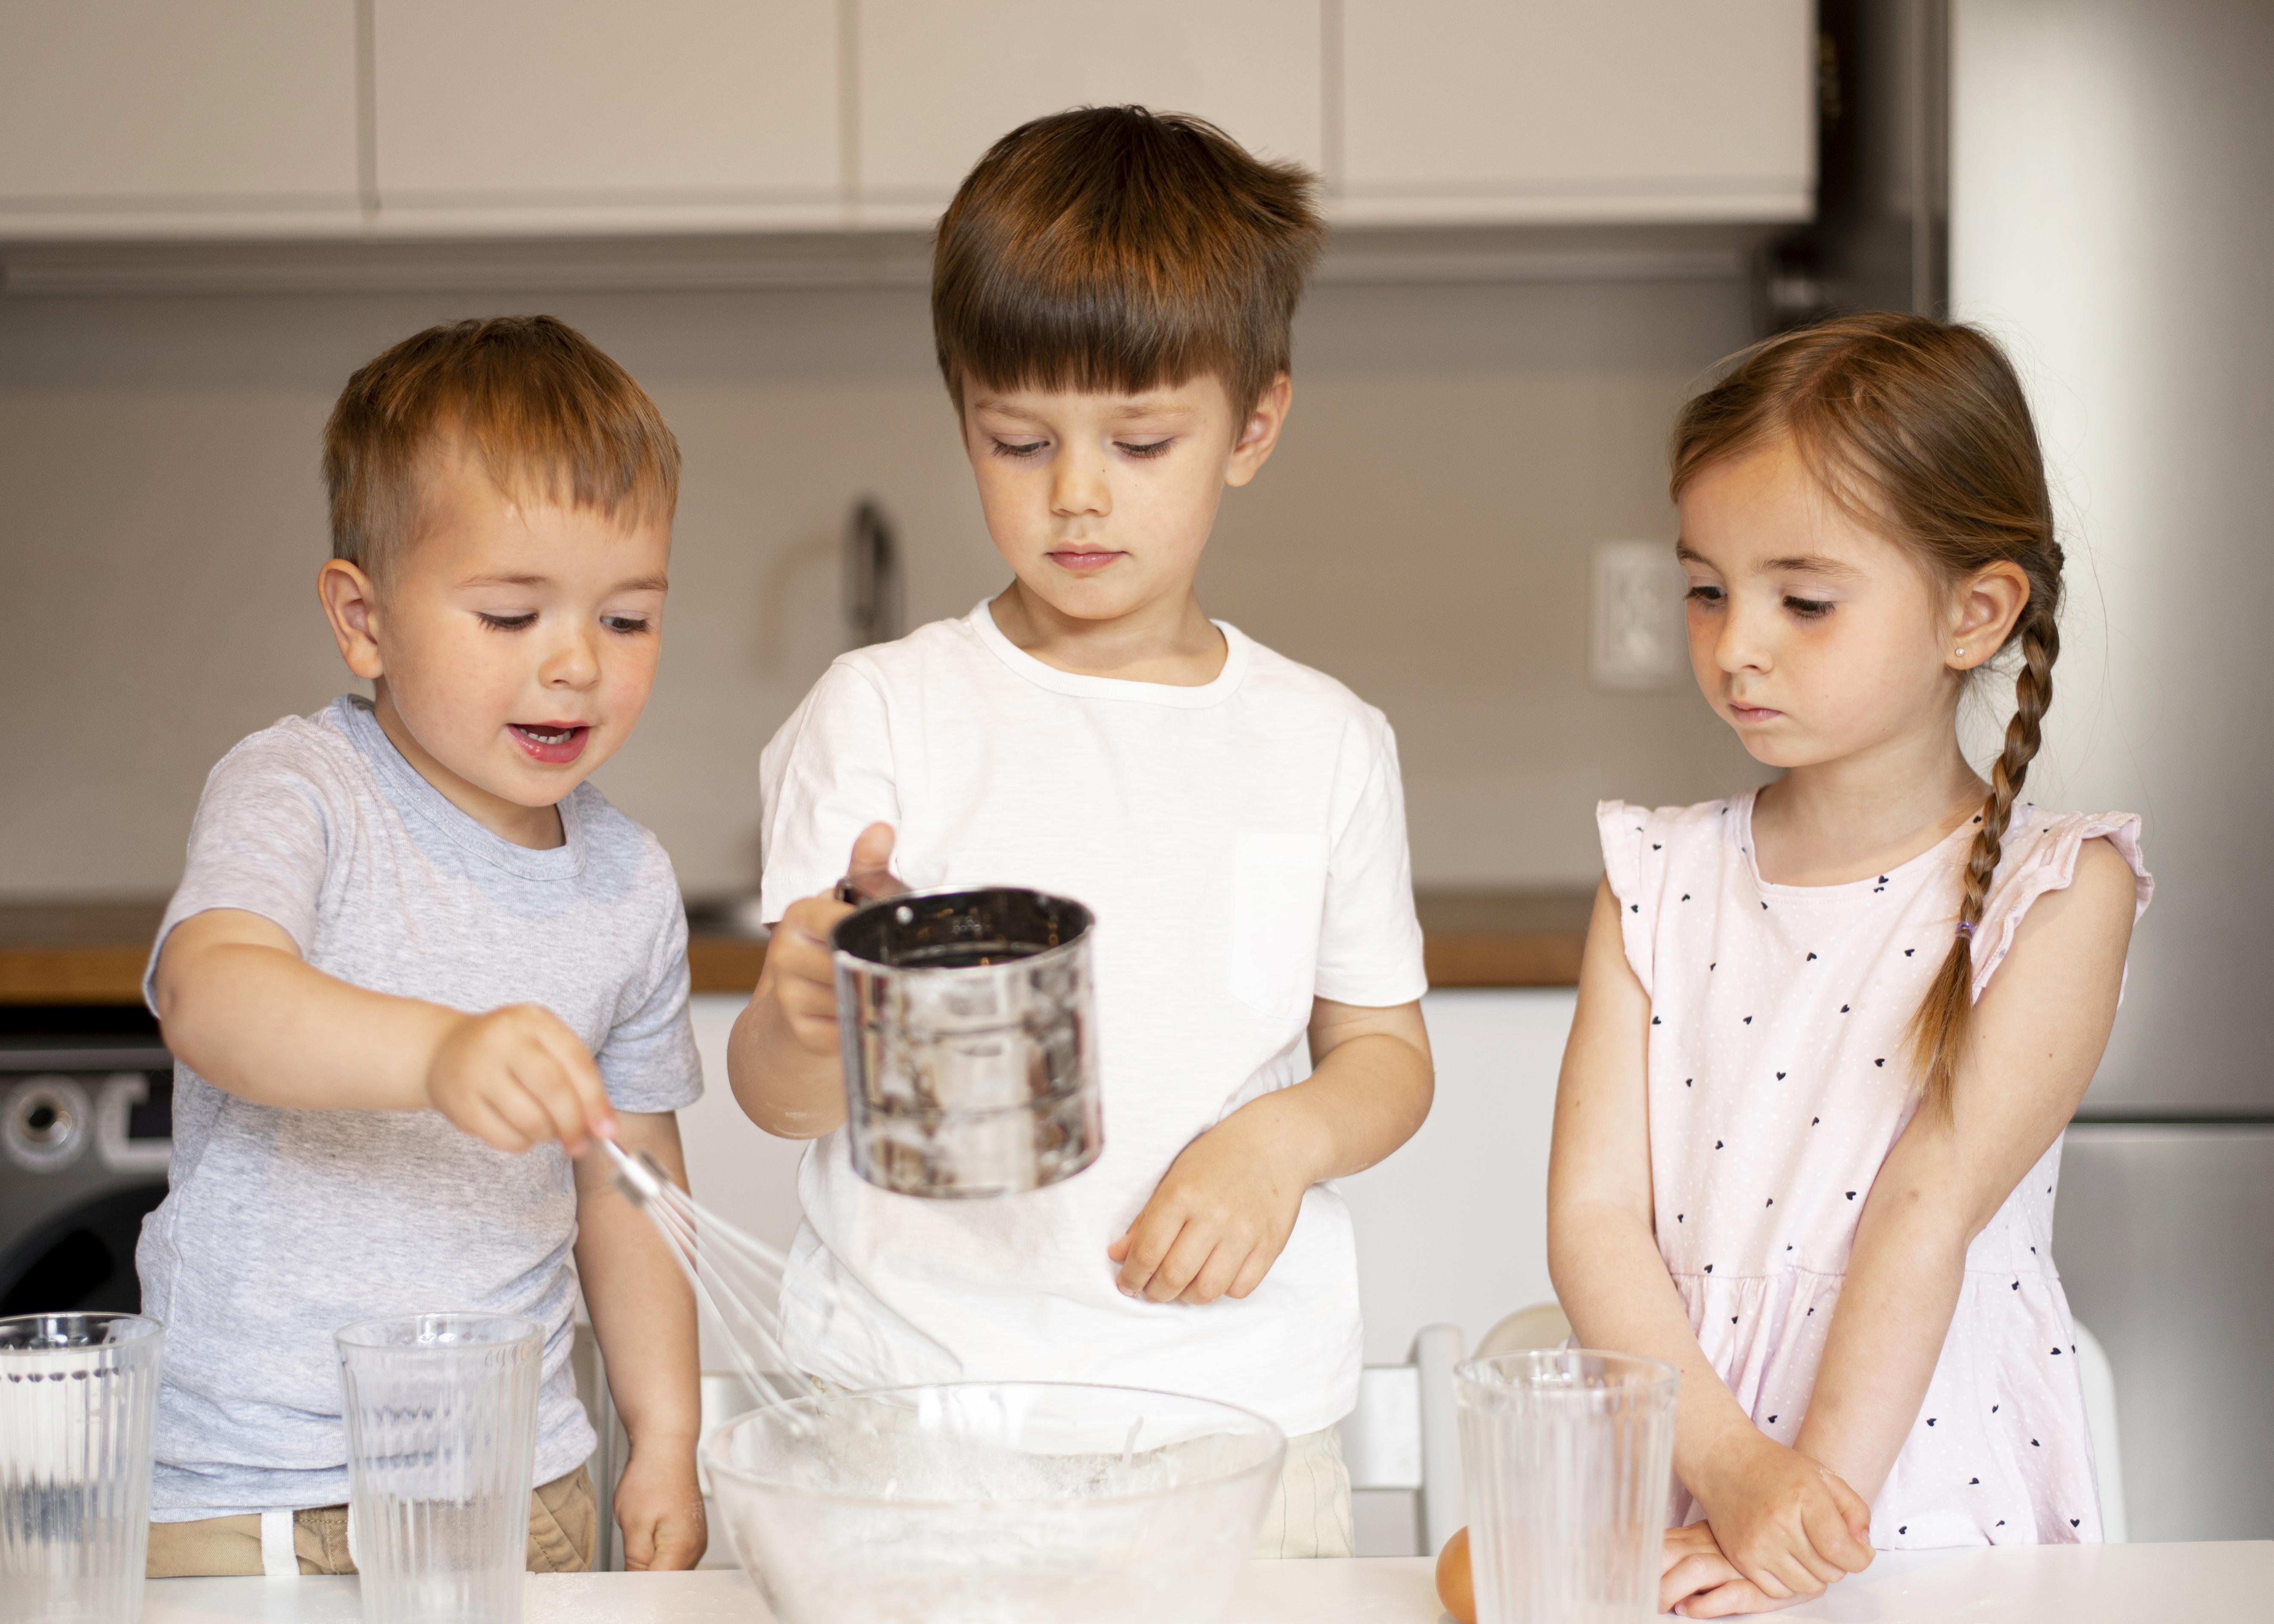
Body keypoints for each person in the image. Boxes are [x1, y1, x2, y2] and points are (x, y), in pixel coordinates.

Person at [728, 107, 1435, 1558]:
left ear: (1254, 425)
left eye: (1141, 438)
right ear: (962, 420)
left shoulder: (1324, 743)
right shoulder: (881, 716)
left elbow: (1386, 1058)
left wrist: (1282, 1139)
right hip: (912, 1422)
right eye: (1020, 439)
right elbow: (781, 1102)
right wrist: (805, 1018)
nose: (1078, 494)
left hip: (1235, 1430)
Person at [1547, 313, 2153, 1617]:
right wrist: (1729, 1471)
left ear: (1973, 614)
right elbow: (1594, 1220)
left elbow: (1925, 1207)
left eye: (1802, 599)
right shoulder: (1652, 879)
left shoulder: (2060, 892)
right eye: (1705, 587)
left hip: (1917, 1496)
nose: (1734, 644)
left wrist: (1804, 1506)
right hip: (1682, 1469)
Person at [139, 316, 706, 1576]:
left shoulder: (628, 885)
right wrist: (438, 1053)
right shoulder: (299, 791)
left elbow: (637, 1186)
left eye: (625, 619)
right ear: (364, 619)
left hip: (520, 1491)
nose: (574, 663)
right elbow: (211, 993)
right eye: (511, 614)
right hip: (250, 1494)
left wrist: (666, 1433)